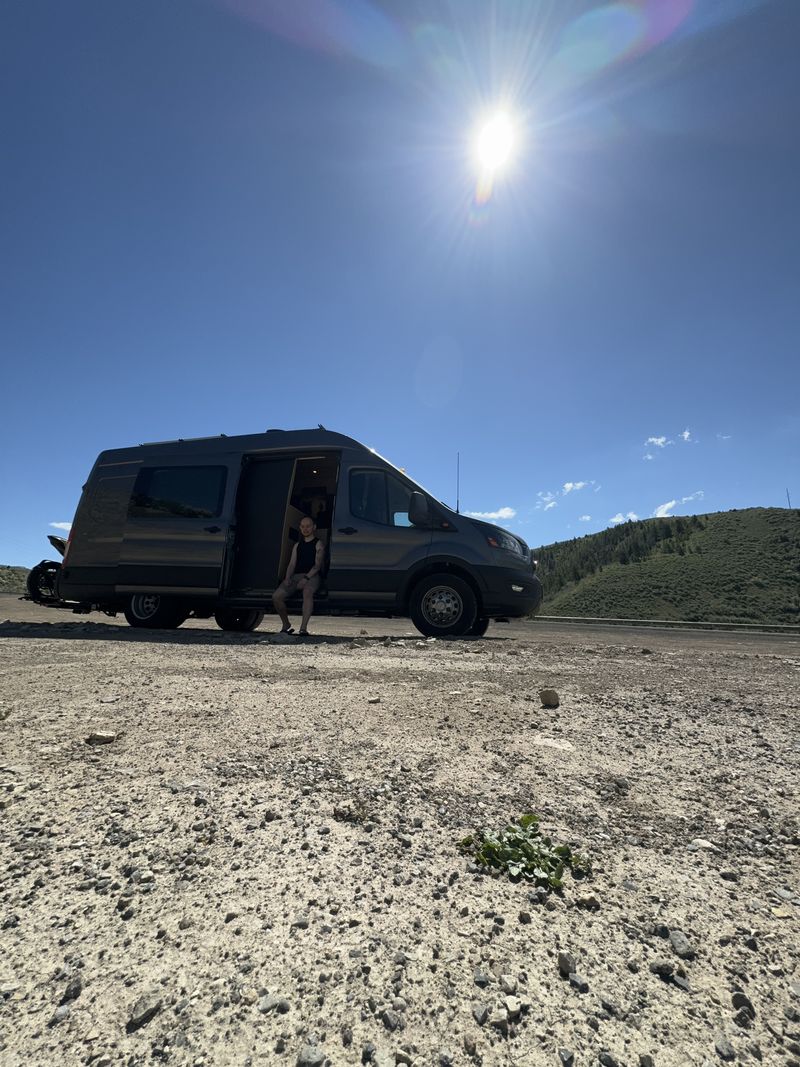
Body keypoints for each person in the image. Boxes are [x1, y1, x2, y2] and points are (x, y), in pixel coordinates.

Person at [272, 516, 324, 636]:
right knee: (276, 596)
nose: (305, 529)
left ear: (314, 527)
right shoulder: (297, 545)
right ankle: (286, 624)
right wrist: (288, 577)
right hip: (296, 576)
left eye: (308, 526)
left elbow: (317, 566)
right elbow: (291, 564)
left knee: (307, 592)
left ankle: (303, 628)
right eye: (303, 526)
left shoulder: (319, 544)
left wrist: (306, 579)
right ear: (300, 528)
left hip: (312, 576)